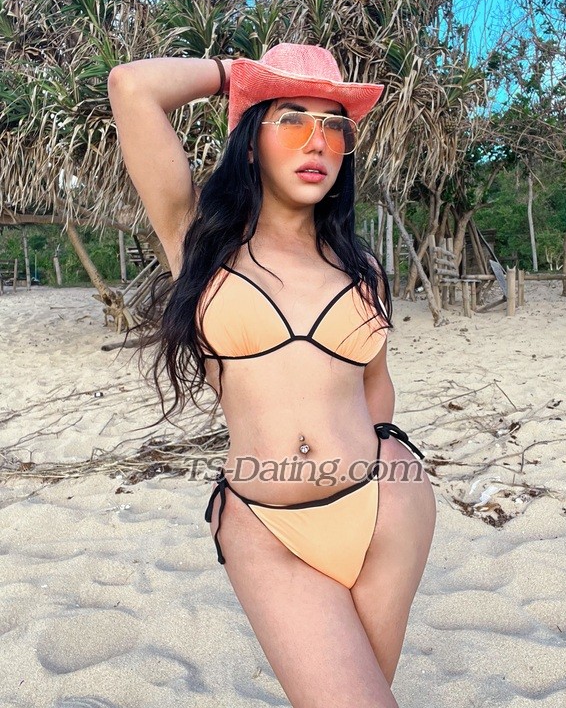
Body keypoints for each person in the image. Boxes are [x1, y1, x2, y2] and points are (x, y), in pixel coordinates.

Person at [108, 44, 436, 708]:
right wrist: (240, 77)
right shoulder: (201, 242)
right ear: (250, 140)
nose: (318, 141)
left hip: (387, 510)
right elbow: (131, 87)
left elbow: (374, 380)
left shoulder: (361, 268)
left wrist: (385, 453)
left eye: (335, 126)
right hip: (267, 526)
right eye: (291, 119)